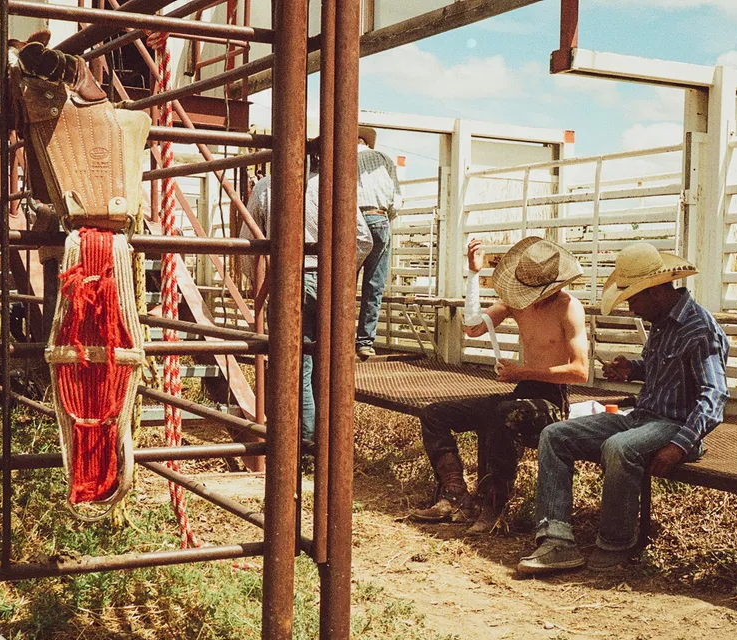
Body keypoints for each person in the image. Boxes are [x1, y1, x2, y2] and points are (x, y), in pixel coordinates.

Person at [518, 243, 729, 575]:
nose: (631, 308)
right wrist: (633, 368)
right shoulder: (663, 321)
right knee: (554, 435)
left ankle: (616, 542)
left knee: (619, 448)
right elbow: (664, 370)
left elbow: (714, 396)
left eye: (633, 298)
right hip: (644, 419)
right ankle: (556, 540)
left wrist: (678, 446)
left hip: (676, 425)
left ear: (657, 291)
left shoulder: (698, 328)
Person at [410, 236, 589, 534]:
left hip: (550, 403)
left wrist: (524, 372)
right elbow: (473, 327)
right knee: (434, 414)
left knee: (501, 413)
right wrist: (474, 274)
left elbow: (579, 371)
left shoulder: (568, 307)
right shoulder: (517, 303)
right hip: (520, 394)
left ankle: (493, 503)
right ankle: (455, 494)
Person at [240, 139, 372, 446]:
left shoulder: (267, 186)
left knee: (297, 368)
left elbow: (249, 245)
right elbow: (364, 239)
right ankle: (332, 444)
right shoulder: (334, 187)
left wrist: (259, 285)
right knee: (329, 363)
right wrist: (341, 275)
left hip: (289, 284)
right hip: (327, 285)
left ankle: (306, 443)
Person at [354, 126, 402, 360]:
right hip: (379, 217)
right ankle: (364, 341)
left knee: (343, 282)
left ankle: (339, 336)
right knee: (374, 284)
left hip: (351, 218)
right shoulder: (384, 159)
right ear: (367, 142)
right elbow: (397, 201)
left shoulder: (340, 156)